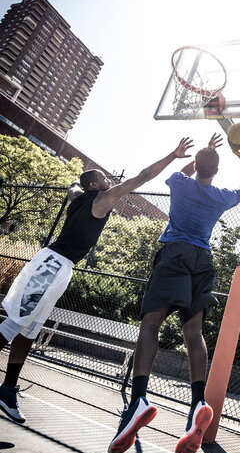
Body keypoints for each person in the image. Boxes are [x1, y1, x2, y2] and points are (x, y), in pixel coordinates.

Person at [0, 138, 194, 424]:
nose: (107, 179)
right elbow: (143, 177)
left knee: (29, 332)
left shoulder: (79, 197)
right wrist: (173, 156)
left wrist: (75, 186)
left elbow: (72, 189)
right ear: (94, 186)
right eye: (102, 177)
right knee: (15, 323)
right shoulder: (102, 199)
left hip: (58, 268)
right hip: (51, 266)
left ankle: (6, 390)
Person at [108, 132, 240, 453]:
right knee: (193, 332)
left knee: (151, 324)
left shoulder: (179, 181)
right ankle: (198, 403)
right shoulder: (219, 195)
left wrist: (195, 156)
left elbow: (188, 171)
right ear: (215, 171)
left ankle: (139, 400)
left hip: (174, 252)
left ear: (197, 165)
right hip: (203, 259)